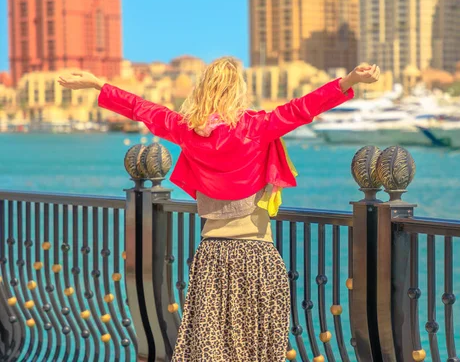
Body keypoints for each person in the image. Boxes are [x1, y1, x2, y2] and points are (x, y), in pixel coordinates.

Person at [58, 58, 380, 361]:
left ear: (203, 91)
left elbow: (145, 110)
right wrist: (349, 80)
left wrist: (98, 84)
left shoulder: (187, 131)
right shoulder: (256, 127)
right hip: (257, 259)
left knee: (210, 351)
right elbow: (303, 109)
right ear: (238, 91)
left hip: (212, 257)